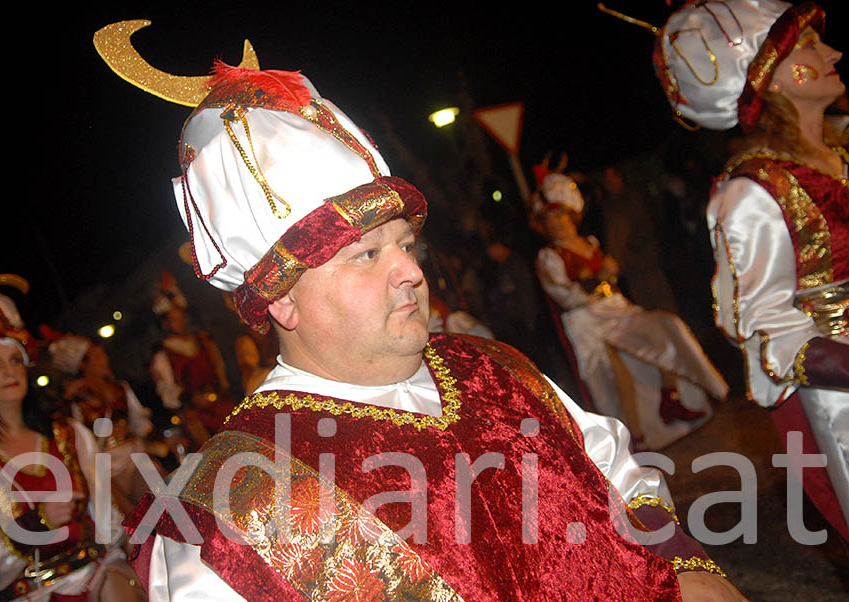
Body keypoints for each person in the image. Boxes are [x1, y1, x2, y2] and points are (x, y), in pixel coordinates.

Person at [94, 20, 746, 601]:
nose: (410, 269)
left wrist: (688, 566)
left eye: (404, 244)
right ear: (282, 300)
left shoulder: (491, 367)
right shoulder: (233, 506)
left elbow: (618, 476)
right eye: (365, 256)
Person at [654, 0, 848, 541]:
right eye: (808, 47)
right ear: (768, 79)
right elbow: (768, 330)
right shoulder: (753, 193)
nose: (831, 52)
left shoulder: (843, 154)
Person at [0, 244, 144, 601]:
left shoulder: (69, 435)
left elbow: (108, 522)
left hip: (100, 578)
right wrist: (35, 525)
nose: (10, 371)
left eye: (14, 360)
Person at [533, 172, 729, 450]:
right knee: (618, 379)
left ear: (571, 216)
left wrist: (608, 274)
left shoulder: (590, 243)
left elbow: (607, 279)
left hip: (617, 309)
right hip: (588, 321)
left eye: (560, 216)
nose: (556, 224)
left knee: (664, 328)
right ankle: (635, 438)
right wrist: (598, 278)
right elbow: (564, 295)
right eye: (549, 219)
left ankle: (672, 400)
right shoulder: (549, 256)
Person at [44, 329, 158, 514]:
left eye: (103, 354)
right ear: (83, 365)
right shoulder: (77, 402)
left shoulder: (120, 389)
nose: (104, 359)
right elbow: (76, 443)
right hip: (107, 471)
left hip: (136, 457)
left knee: (160, 494)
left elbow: (141, 426)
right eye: (97, 357)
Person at [149, 272, 233, 447]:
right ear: (165, 323)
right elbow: (167, 390)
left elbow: (218, 366)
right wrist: (188, 399)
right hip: (197, 415)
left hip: (221, 404)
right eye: (173, 319)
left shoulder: (202, 339)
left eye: (180, 317)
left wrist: (222, 386)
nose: (179, 322)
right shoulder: (163, 354)